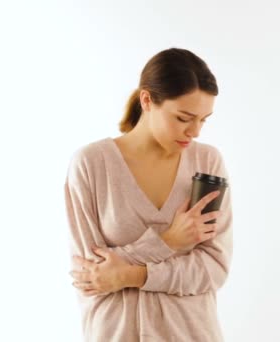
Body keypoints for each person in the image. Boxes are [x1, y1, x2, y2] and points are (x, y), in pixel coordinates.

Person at [63, 47, 233, 341]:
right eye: (183, 118)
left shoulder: (207, 163)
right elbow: (91, 275)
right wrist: (167, 242)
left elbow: (213, 268)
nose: (195, 132)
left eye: (203, 120)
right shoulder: (91, 164)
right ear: (147, 100)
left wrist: (131, 275)